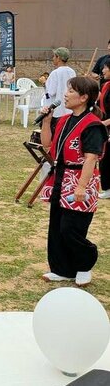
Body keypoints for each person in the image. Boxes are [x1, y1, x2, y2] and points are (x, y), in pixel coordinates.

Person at [40, 76, 107, 286]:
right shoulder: (65, 119)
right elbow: (47, 144)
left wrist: (81, 186)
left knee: (72, 228)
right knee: (57, 226)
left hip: (79, 180)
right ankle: (62, 268)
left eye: (71, 91)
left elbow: (91, 157)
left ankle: (85, 263)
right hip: (60, 177)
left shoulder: (92, 125)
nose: (65, 94)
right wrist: (47, 121)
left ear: (84, 97)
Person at [44, 48, 76, 125]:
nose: (53, 58)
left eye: (54, 56)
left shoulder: (55, 73)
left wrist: (44, 83)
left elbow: (51, 92)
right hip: (69, 109)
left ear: (58, 58)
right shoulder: (72, 72)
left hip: (57, 111)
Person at [97, 60, 110, 199]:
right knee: (104, 157)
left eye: (105, 68)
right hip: (105, 126)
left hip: (107, 125)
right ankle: (107, 187)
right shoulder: (106, 85)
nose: (103, 70)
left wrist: (105, 123)